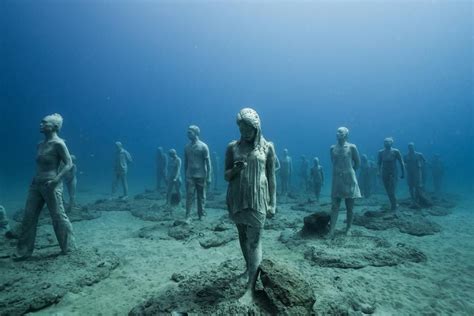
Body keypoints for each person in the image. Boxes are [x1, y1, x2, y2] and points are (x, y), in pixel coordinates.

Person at [225, 108, 276, 304]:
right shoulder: (232, 147)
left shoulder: (268, 147)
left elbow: (272, 177)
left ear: (256, 127)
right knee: (242, 235)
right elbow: (226, 175)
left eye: (247, 128)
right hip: (237, 198)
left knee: (254, 242)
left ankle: (251, 289)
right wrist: (235, 170)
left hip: (258, 200)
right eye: (240, 128)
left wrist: (273, 203)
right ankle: (250, 269)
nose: (243, 132)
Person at [15, 113, 75, 260]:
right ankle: (23, 252)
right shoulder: (40, 144)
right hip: (36, 184)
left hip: (51, 185)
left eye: (44, 122)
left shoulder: (59, 144)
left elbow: (69, 164)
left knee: (58, 216)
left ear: (54, 127)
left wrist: (56, 180)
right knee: (29, 217)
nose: (41, 124)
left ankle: (69, 248)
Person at [329, 127, 361, 237]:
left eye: (341, 132)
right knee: (334, 206)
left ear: (346, 134)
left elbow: (357, 163)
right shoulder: (332, 148)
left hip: (349, 179)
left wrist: (349, 172)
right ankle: (332, 229)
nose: (338, 133)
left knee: (350, 206)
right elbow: (333, 162)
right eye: (337, 131)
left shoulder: (352, 147)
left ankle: (348, 228)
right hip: (337, 179)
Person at [184, 125, 212, 221]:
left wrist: (209, 177)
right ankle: (188, 215)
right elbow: (185, 162)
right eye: (188, 132)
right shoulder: (187, 147)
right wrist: (185, 175)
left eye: (190, 132)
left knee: (201, 196)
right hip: (190, 175)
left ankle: (201, 215)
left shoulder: (203, 146)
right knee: (189, 195)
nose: (188, 134)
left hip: (201, 175)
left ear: (196, 133)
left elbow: (208, 163)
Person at [377, 137, 405, 211]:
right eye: (385, 142)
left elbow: (401, 162)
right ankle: (393, 203)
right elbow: (379, 163)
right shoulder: (381, 152)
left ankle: (394, 206)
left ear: (391, 143)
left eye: (388, 142)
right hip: (384, 172)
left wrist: (403, 173)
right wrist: (378, 172)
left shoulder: (396, 151)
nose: (386, 143)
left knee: (391, 190)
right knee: (387, 190)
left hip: (393, 172)